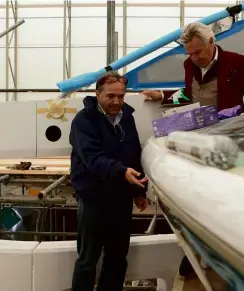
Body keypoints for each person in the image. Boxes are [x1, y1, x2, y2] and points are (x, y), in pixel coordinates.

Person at [69, 71, 149, 291]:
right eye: (110, 96)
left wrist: (139, 191)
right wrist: (122, 171)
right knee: (88, 259)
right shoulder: (83, 121)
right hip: (94, 197)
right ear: (98, 94)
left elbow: (134, 152)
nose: (117, 102)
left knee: (117, 257)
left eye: (121, 96)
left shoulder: (128, 118)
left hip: (120, 197)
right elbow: (92, 158)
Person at [141, 21, 244, 111]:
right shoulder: (188, 64)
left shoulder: (236, 62)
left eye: (198, 52)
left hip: (230, 132)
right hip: (200, 132)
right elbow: (190, 94)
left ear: (211, 42)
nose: (194, 58)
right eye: (189, 54)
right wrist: (161, 95)